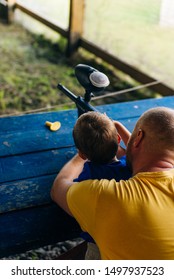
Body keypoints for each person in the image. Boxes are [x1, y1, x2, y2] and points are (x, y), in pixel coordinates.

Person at [51, 107, 174, 260]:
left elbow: (58, 188)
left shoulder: (103, 194)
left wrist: (84, 152)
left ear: (139, 138)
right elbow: (147, 150)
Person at [72, 111, 132, 259]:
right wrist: (117, 124)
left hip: (98, 245)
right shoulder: (130, 167)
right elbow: (134, 149)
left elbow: (77, 191)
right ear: (118, 139)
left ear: (81, 155)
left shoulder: (88, 177)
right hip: (128, 237)